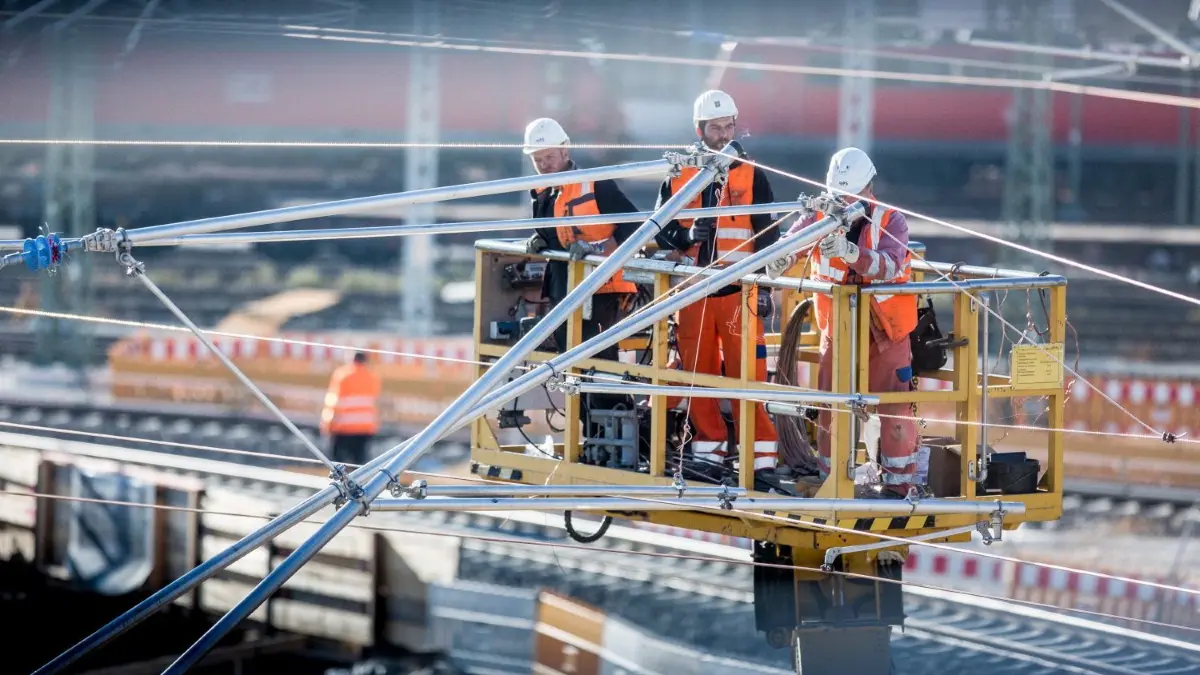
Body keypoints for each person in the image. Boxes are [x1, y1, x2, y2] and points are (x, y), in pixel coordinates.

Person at [768, 147, 920, 497]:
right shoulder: (822, 215)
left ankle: (898, 487)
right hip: (839, 330)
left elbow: (891, 265)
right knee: (831, 407)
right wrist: (780, 258)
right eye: (839, 196)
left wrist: (852, 253)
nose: (843, 204)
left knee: (895, 410)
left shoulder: (890, 221)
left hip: (885, 332)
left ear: (868, 188)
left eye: (849, 196)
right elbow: (794, 240)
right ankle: (830, 478)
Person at [652, 90, 780, 479]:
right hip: (694, 292)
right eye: (715, 128)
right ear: (699, 130)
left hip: (740, 292)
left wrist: (765, 287)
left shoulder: (751, 174)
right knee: (696, 372)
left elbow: (769, 235)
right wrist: (688, 235)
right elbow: (659, 230)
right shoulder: (680, 174)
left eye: (728, 127)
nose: (724, 135)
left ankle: (761, 458)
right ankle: (709, 449)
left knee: (749, 376)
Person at [521, 117, 641, 360]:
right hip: (563, 287)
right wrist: (540, 239)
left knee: (598, 358)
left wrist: (596, 248)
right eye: (537, 160)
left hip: (603, 288)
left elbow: (635, 225)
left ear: (565, 151)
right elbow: (555, 233)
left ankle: (605, 389)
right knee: (569, 356)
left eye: (549, 157)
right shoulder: (542, 192)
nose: (544, 165)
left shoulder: (596, 184)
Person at [320, 351, 383, 467]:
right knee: (359, 463)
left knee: (337, 464)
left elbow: (334, 401)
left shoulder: (342, 375)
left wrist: (327, 423)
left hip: (343, 427)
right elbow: (375, 402)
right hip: (365, 427)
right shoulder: (372, 377)